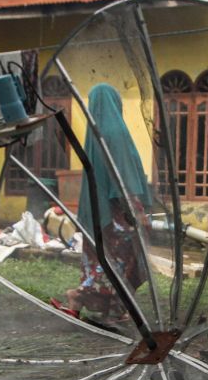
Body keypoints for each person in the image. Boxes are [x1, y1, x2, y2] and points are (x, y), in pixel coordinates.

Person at [60, 83, 151, 317]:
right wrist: (136, 209)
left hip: (100, 211)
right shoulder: (116, 132)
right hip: (117, 210)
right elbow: (124, 174)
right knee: (122, 256)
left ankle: (108, 305)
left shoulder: (94, 132)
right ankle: (80, 295)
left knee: (105, 256)